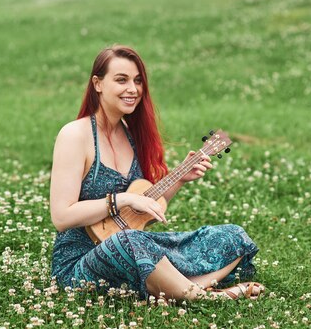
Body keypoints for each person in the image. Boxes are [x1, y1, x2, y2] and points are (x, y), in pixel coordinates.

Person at [50, 45, 263, 300]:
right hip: (81, 262)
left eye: (138, 81)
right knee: (130, 242)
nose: (133, 89)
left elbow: (142, 211)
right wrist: (121, 199)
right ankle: (200, 295)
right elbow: (61, 217)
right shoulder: (75, 135)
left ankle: (185, 286)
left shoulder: (131, 134)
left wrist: (179, 179)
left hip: (134, 244)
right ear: (97, 83)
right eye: (121, 80)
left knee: (231, 235)